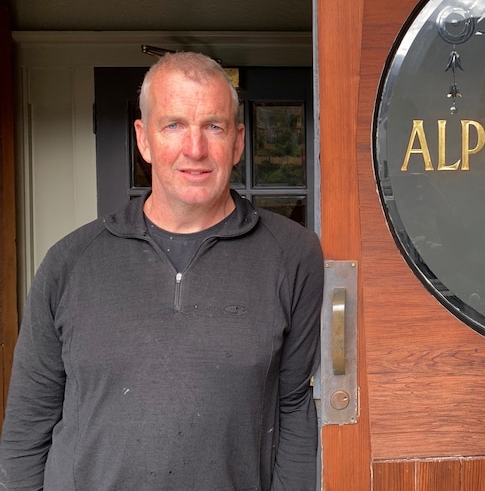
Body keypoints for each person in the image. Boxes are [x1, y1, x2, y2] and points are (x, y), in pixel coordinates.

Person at [0, 52, 324, 490]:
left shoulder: (292, 255)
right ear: (144, 139)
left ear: (238, 141)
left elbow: (294, 409)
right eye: (174, 125)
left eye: (214, 126)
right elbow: (28, 420)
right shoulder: (69, 262)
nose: (195, 149)